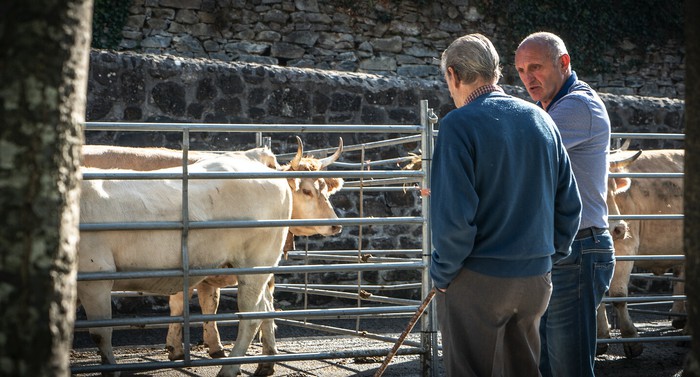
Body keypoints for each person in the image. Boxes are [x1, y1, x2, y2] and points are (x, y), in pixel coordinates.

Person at [430, 33, 582, 377]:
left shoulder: (458, 124)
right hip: (535, 280)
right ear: (495, 72)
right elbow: (569, 204)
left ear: (453, 75)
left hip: (477, 279)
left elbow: (455, 221)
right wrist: (548, 256)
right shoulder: (542, 120)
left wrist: (441, 274)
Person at [515, 32, 616, 377]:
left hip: (579, 249)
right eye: (521, 70)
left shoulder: (576, 107)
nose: (528, 78)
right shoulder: (552, 107)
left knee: (566, 368)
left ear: (564, 63)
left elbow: (520, 155)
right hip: (562, 249)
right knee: (545, 364)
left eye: (536, 67)